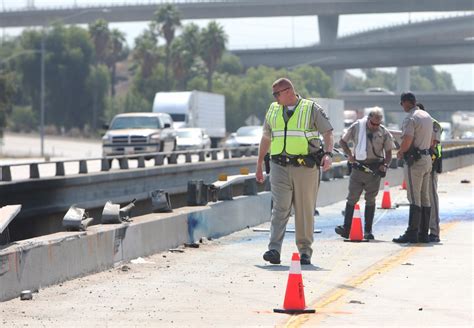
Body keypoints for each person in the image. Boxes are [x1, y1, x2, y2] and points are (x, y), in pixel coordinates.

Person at [255, 78, 333, 265]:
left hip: (305, 167)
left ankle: (305, 251)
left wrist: (328, 154)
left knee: (304, 210)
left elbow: (328, 132)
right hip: (278, 165)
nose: (274, 98)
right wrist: (259, 163)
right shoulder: (273, 109)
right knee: (280, 207)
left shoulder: (310, 108)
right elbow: (266, 138)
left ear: (288, 91)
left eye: (277, 94)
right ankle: (273, 249)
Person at [335, 107, 393, 240]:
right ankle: (346, 228)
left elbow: (389, 152)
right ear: (368, 119)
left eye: (378, 124)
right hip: (358, 168)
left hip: (374, 170)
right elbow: (343, 141)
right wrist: (349, 155)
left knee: (370, 200)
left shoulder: (383, 132)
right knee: (352, 198)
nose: (375, 127)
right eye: (373, 124)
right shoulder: (357, 127)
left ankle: (368, 230)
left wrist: (385, 165)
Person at [393, 93, 433, 243]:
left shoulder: (411, 118)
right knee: (425, 197)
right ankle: (424, 233)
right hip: (427, 158)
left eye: (401, 103)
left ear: (406, 103)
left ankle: (412, 232)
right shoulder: (426, 116)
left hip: (415, 162)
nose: (402, 106)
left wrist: (401, 151)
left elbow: (408, 139)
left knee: (414, 197)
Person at [417, 103, 443, 243]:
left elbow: (433, 142)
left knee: (431, 198)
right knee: (420, 200)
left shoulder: (433, 124)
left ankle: (434, 232)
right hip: (418, 165)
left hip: (431, 164)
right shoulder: (414, 123)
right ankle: (421, 230)